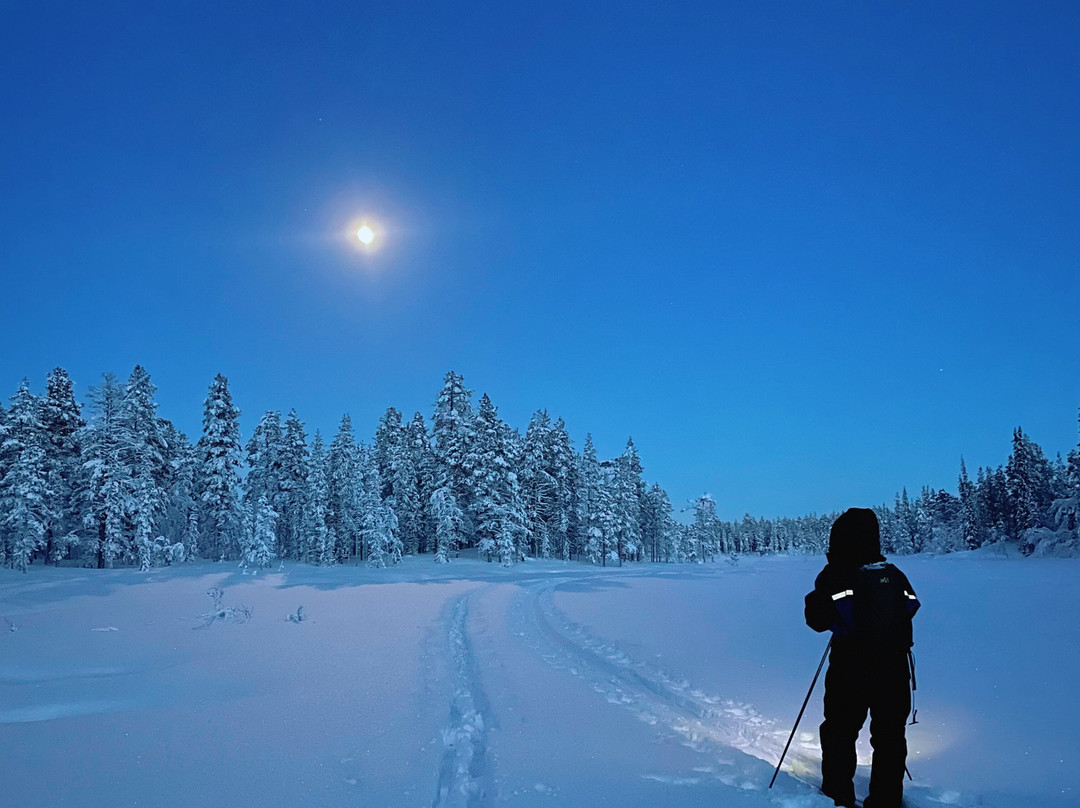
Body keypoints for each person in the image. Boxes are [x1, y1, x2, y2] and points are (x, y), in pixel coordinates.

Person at [804, 508, 920, 808]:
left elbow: (815, 620)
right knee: (890, 736)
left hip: (850, 665)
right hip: (895, 667)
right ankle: (887, 799)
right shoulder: (893, 574)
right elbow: (911, 607)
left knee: (840, 731)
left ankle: (837, 795)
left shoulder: (834, 574)